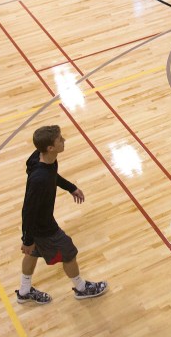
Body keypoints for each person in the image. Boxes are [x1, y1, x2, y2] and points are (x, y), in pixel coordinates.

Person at [17, 125, 107, 304]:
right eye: (59, 139)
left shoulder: (42, 159)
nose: (64, 140)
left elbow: (53, 176)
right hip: (44, 228)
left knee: (32, 254)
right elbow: (28, 211)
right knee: (69, 252)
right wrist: (27, 239)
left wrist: (70, 187)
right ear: (50, 148)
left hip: (38, 228)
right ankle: (81, 288)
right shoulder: (39, 179)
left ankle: (24, 291)